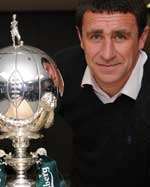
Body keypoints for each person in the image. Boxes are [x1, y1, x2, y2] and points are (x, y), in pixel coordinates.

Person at [51, 0, 150, 186]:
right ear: (80, 38)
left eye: (120, 36)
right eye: (96, 36)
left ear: (142, 38)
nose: (107, 54)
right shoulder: (60, 72)